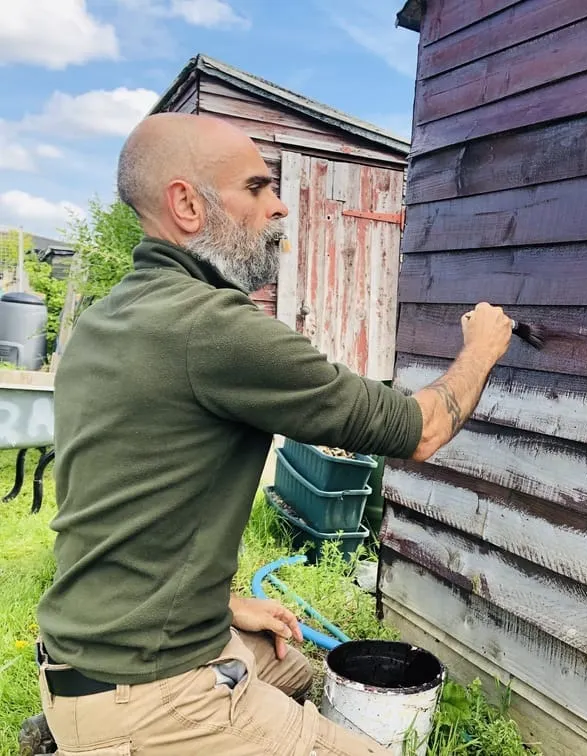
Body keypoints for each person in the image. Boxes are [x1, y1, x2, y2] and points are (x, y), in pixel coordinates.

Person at [31, 112, 514, 755]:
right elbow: (420, 430)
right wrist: (482, 348)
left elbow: (118, 509)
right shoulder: (213, 327)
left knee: (295, 671)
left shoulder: (107, 319)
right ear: (187, 205)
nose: (280, 205)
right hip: (149, 691)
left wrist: (224, 606)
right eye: (256, 187)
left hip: (86, 656)